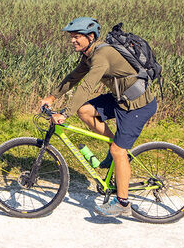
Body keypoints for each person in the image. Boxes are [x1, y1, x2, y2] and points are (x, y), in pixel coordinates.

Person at [39, 17, 157, 217]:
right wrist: (52, 97)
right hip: (119, 100)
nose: (72, 41)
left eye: (76, 37)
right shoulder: (89, 54)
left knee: (119, 151)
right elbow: (74, 78)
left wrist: (64, 113)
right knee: (85, 111)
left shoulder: (102, 55)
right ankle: (115, 149)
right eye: (71, 37)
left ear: (90, 37)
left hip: (137, 106)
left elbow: (86, 87)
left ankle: (122, 203)